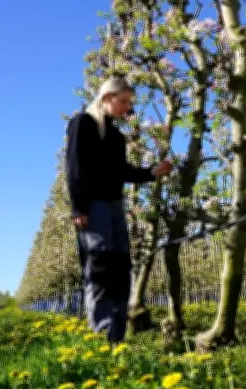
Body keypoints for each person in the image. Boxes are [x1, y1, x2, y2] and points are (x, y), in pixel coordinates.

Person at [65, 76, 173, 343]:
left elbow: (121, 171)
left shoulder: (115, 135)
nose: (127, 107)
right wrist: (79, 207)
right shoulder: (84, 123)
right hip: (94, 206)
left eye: (129, 102)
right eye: (123, 101)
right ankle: (102, 338)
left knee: (120, 268)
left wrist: (151, 172)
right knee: (100, 268)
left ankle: (117, 337)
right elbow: (74, 166)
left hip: (115, 207)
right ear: (106, 97)